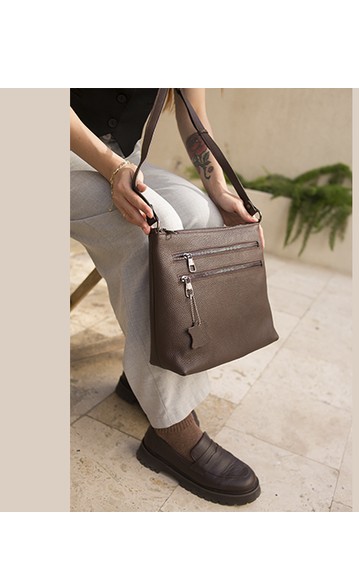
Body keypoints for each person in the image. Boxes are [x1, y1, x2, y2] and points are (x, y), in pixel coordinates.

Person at [70, 88, 261, 506]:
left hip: (123, 155)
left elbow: (194, 116)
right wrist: (113, 168)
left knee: (202, 217)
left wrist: (219, 187)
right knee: (150, 228)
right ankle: (171, 431)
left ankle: (149, 370)